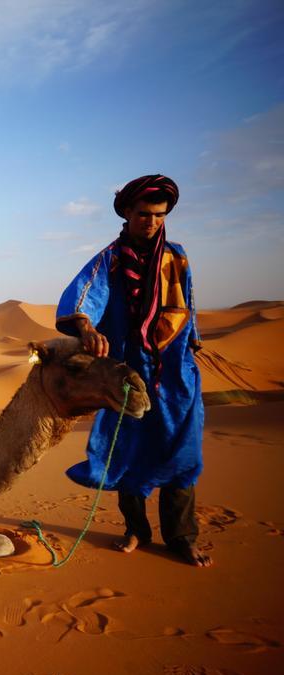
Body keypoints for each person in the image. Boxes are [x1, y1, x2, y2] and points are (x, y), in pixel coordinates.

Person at [56, 174, 211, 567]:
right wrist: (86, 326)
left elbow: (187, 306)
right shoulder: (109, 259)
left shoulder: (177, 257)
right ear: (126, 212)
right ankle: (136, 530)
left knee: (183, 450)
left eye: (159, 215)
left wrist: (192, 344)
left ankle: (181, 537)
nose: (152, 222)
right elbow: (86, 295)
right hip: (128, 370)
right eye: (144, 214)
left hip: (176, 373)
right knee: (125, 451)